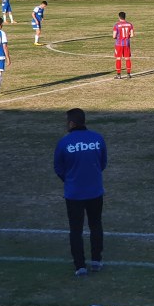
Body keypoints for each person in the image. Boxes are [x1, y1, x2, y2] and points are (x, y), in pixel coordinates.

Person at [53, 108, 107, 277]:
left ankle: (80, 266)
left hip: (74, 193)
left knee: (75, 230)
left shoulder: (64, 143)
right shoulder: (97, 138)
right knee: (96, 225)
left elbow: (58, 168)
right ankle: (96, 261)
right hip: (95, 191)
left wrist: (69, 180)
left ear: (71, 123)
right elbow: (103, 163)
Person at [113, 11, 134, 79]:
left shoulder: (117, 25)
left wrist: (118, 37)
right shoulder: (130, 24)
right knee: (127, 58)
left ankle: (118, 75)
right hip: (126, 44)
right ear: (125, 17)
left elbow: (114, 36)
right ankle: (128, 74)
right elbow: (132, 35)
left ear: (119, 17)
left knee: (118, 58)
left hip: (119, 44)